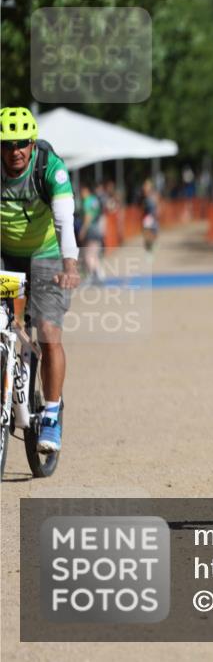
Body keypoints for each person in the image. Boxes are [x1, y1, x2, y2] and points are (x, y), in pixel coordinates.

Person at [0, 107, 81, 453]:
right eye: (6, 143)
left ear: (32, 144)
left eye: (21, 143)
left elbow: (64, 219)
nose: (14, 150)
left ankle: (50, 412)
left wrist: (70, 264)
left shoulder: (50, 167)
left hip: (47, 254)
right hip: (5, 251)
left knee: (48, 331)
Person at [78, 184, 105, 284]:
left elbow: (88, 217)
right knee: (94, 254)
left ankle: (93, 274)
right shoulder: (94, 200)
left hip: (91, 230)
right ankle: (99, 274)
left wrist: (83, 230)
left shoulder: (87, 201)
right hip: (97, 228)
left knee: (88, 255)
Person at [141, 179, 159, 258]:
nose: (146, 188)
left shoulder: (154, 196)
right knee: (147, 235)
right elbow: (142, 208)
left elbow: (157, 207)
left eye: (147, 186)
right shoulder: (144, 197)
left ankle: (151, 247)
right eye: (145, 186)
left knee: (154, 235)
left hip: (152, 217)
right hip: (147, 217)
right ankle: (148, 251)